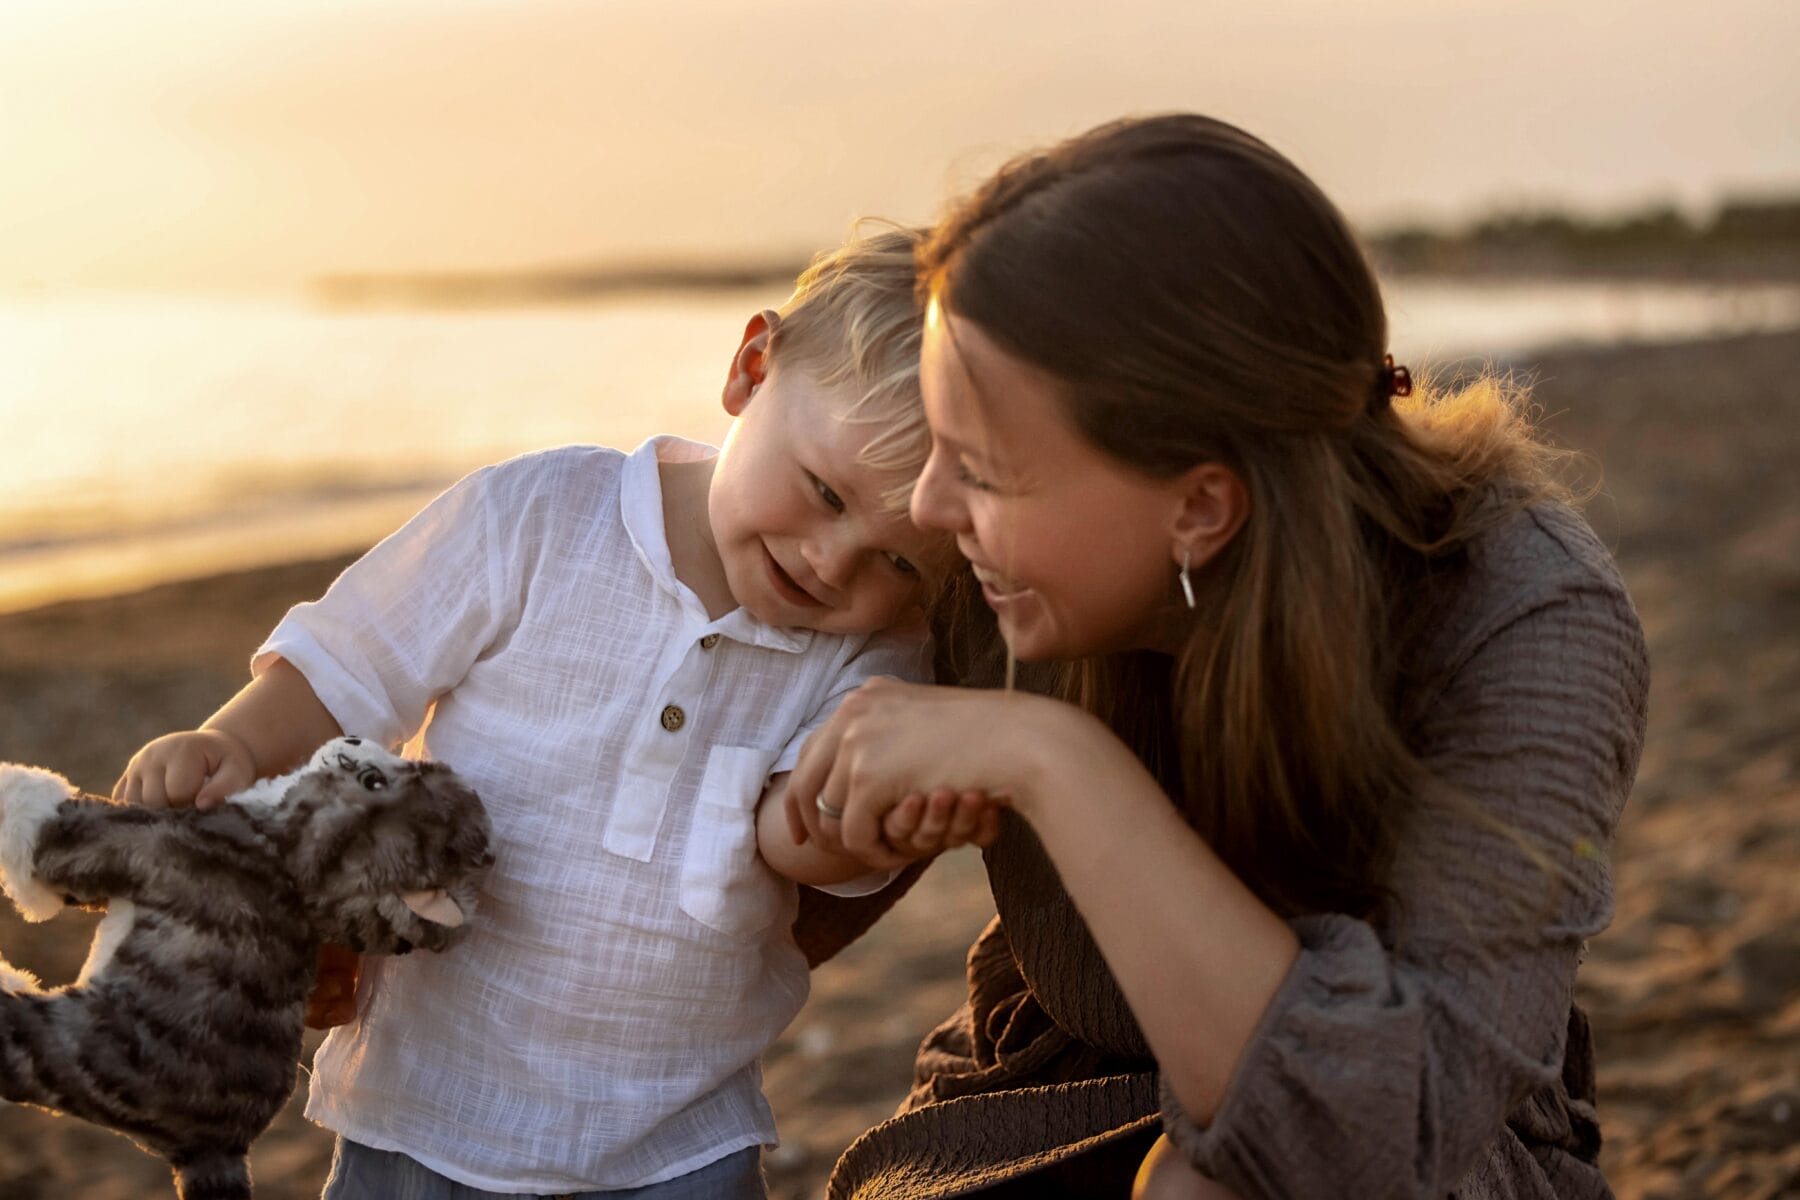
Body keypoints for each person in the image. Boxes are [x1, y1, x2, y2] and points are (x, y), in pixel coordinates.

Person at [783, 115, 1650, 1199]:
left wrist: (1057, 760)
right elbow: (765, 896)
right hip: (1050, 1098)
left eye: (983, 471)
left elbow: (1372, 1138)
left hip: (1409, 1147)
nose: (928, 506)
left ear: (1200, 507)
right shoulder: (977, 559)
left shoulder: (1525, 615)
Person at [112, 225, 1000, 1200]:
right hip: (426, 1101)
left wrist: (860, 821)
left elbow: (793, 839)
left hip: (677, 1133)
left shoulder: (876, 653)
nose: (835, 562)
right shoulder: (539, 517)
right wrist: (232, 744)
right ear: (751, 367)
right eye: (824, 491)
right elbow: (353, 664)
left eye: (900, 561)